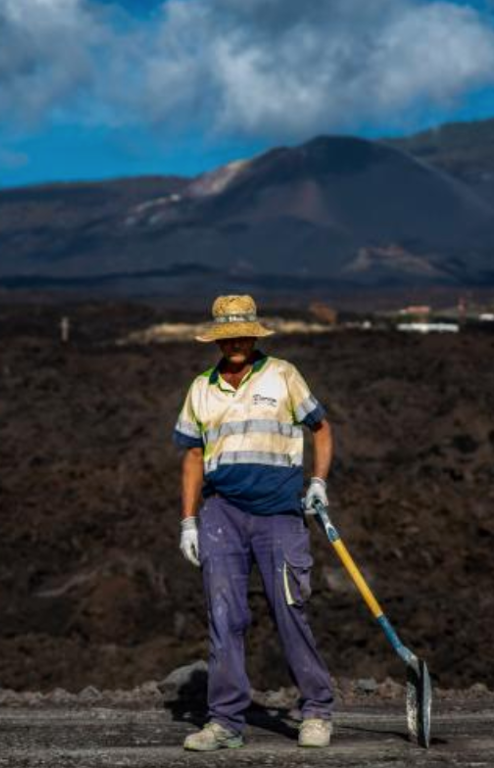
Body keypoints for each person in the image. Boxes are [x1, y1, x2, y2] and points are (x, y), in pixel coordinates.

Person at [173, 294, 335, 751]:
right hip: (221, 512)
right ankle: (225, 721)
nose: (235, 343)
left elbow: (320, 428)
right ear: (217, 340)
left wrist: (318, 483)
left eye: (241, 335)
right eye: (226, 337)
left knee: (290, 611)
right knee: (225, 616)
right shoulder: (201, 387)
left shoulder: (283, 375)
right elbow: (192, 455)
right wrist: (188, 520)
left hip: (279, 513)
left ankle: (317, 710)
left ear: (254, 334)